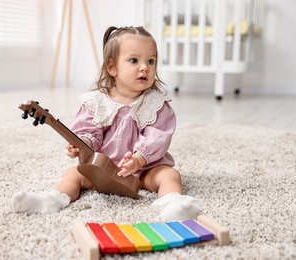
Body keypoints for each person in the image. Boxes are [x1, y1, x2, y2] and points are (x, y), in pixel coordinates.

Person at [12, 26, 200, 221]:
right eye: (134, 60)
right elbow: (88, 130)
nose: (145, 67)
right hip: (103, 171)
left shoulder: (155, 103)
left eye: (150, 61)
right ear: (112, 67)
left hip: (144, 170)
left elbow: (158, 135)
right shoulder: (97, 102)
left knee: (169, 175)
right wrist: (81, 143)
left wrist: (138, 159)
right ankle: (51, 199)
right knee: (73, 174)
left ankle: (173, 204)